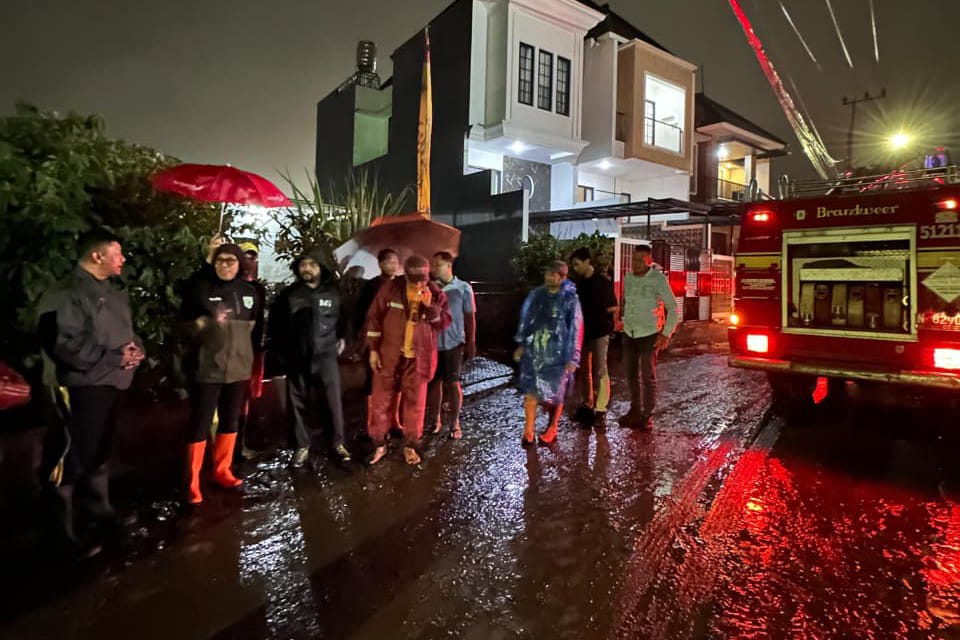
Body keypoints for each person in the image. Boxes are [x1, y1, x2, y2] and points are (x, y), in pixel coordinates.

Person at [37, 230, 144, 557]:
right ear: (97, 255)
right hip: (78, 387)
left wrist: (137, 350)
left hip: (111, 385)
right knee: (68, 457)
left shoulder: (112, 293)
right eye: (118, 252)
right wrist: (113, 357)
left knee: (98, 452)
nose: (123, 259)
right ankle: (60, 533)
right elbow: (60, 343)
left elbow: (127, 334)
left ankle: (100, 511)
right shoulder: (65, 293)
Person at [179, 243, 263, 504]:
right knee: (200, 425)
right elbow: (184, 324)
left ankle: (222, 470)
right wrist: (201, 326)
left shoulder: (249, 292)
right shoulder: (202, 287)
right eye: (220, 260)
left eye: (231, 261)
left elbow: (255, 327)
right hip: (207, 368)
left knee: (230, 421)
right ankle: (191, 483)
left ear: (240, 264)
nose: (225, 265)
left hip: (238, 368)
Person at [269, 248, 351, 468]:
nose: (307, 268)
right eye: (303, 264)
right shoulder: (290, 294)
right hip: (297, 357)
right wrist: (279, 354)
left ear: (321, 268)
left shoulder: (334, 292)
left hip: (326, 356)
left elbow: (344, 319)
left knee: (333, 402)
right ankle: (301, 446)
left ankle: (337, 443)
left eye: (312, 264)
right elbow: (275, 327)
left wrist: (343, 337)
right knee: (297, 403)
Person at [365, 255, 450, 465]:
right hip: (389, 354)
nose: (419, 283)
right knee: (381, 400)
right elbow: (374, 317)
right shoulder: (391, 288)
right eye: (414, 279)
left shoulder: (435, 293)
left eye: (422, 278)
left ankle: (411, 446)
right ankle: (379, 444)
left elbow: (444, 323)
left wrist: (430, 308)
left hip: (419, 358)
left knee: (416, 403)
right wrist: (373, 350)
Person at [513, 260, 583, 446]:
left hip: (559, 354)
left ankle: (552, 427)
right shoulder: (537, 295)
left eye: (553, 274)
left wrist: (573, 357)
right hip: (535, 351)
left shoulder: (570, 299)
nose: (548, 278)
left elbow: (576, 328)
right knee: (530, 389)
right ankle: (528, 430)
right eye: (547, 274)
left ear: (562, 277)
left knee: (555, 393)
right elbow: (526, 318)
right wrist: (522, 343)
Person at [620, 243, 679, 430]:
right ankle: (635, 409)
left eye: (640, 260)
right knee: (630, 375)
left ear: (649, 261)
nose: (635, 264)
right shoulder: (628, 278)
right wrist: (621, 320)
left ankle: (647, 415)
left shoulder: (658, 279)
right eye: (633, 260)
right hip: (629, 332)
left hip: (649, 334)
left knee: (647, 375)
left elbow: (673, 308)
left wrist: (666, 333)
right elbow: (626, 301)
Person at [426, 251, 476, 440]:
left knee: (453, 383)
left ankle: (454, 422)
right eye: (433, 264)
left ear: (448, 266)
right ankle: (435, 420)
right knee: (434, 384)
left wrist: (471, 341)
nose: (433, 268)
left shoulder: (463, 288)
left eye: (437, 264)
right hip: (433, 343)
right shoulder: (428, 289)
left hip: (455, 343)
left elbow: (470, 317)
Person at [569, 247, 618, 428]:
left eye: (577, 264)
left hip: (599, 332)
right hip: (584, 333)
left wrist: (601, 317)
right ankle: (587, 404)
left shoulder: (601, 282)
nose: (575, 268)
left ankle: (601, 409)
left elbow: (613, 307)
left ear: (587, 261)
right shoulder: (580, 283)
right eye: (573, 265)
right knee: (585, 371)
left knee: (600, 370)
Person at [357, 248, 403, 436]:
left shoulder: (402, 286)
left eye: (395, 261)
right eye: (388, 261)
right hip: (376, 341)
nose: (393, 265)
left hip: (397, 342)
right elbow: (363, 314)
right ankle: (372, 424)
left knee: (397, 381)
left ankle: (394, 421)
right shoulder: (372, 286)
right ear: (380, 264)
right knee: (373, 381)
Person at [236, 241, 267, 461]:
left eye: (254, 257)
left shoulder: (259, 289)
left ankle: (240, 444)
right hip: (232, 352)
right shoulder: (230, 286)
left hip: (253, 352)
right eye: (247, 256)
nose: (251, 261)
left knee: (246, 398)